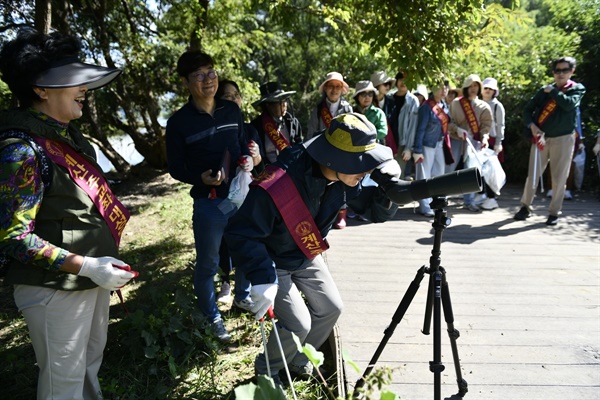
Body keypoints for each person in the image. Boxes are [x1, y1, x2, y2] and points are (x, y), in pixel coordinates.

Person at [0, 29, 137, 399]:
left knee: (88, 369)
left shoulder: (69, 138)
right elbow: (13, 238)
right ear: (41, 89)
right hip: (53, 289)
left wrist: (95, 270)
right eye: (72, 81)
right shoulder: (21, 149)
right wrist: (88, 266)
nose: (84, 89)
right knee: (63, 385)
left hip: (88, 281)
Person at [224, 113, 400, 385]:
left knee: (332, 308)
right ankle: (267, 370)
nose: (365, 172)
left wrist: (390, 191)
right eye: (360, 165)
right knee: (298, 323)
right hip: (273, 262)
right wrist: (261, 276)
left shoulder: (347, 178)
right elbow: (240, 232)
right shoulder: (281, 179)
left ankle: (298, 359)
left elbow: (374, 210)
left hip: (306, 254)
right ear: (337, 159)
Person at [165, 50, 253, 342]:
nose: (208, 80)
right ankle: (212, 316)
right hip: (209, 202)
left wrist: (247, 160)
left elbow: (241, 146)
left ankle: (243, 298)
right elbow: (175, 167)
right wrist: (198, 177)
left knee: (245, 251)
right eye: (199, 75)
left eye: (211, 72)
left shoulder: (231, 111)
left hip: (240, 196)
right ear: (185, 82)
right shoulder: (178, 122)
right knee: (208, 264)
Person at [514, 56, 586, 225]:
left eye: (565, 70)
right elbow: (527, 111)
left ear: (571, 72)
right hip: (541, 138)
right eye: (557, 70)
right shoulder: (544, 91)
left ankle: (554, 212)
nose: (560, 74)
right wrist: (532, 125)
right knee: (533, 175)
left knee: (559, 177)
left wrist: (553, 92)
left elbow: (568, 104)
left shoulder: (576, 89)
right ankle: (525, 206)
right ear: (553, 72)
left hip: (563, 139)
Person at [214, 79, 262, 309]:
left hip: (247, 195)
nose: (233, 99)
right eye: (227, 96)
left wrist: (255, 158)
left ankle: (243, 294)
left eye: (236, 95)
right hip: (221, 194)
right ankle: (225, 282)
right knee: (224, 240)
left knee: (246, 238)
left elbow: (261, 165)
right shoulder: (216, 128)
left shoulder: (251, 129)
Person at [449, 74, 493, 212]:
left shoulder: (483, 106)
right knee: (449, 168)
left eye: (476, 86)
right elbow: (448, 122)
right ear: (466, 87)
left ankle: (469, 201)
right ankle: (440, 197)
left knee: (471, 173)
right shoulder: (456, 103)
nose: (474, 89)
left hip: (473, 142)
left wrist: (485, 138)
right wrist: (457, 129)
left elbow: (486, 127)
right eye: (471, 86)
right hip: (456, 140)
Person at [413, 81, 451, 217]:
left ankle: (435, 203)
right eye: (440, 87)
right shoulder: (426, 107)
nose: (443, 90)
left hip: (439, 144)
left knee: (438, 174)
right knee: (424, 176)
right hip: (426, 145)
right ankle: (424, 206)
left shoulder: (444, 105)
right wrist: (417, 150)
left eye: (445, 87)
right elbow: (420, 129)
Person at [251, 81, 303, 164]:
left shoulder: (293, 123)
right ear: (268, 105)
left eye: (285, 100)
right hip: (268, 172)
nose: (284, 105)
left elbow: (299, 146)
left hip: (292, 170)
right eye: (279, 102)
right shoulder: (256, 126)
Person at [477, 77, 506, 210]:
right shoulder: (478, 103)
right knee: (479, 169)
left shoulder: (497, 106)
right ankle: (481, 194)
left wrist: (499, 143)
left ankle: (491, 198)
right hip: (479, 140)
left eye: (490, 89)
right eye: (485, 88)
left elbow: (501, 125)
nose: (487, 90)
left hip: (493, 140)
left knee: (491, 171)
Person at [390, 71, 420, 179]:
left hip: (402, 144)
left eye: (407, 80)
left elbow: (413, 125)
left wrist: (409, 148)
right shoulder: (389, 97)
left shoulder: (412, 100)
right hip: (388, 142)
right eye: (401, 79)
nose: (403, 83)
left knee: (398, 174)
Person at [306, 72, 353, 140]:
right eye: (331, 86)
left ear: (342, 89)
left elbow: (351, 134)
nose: (334, 90)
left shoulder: (347, 109)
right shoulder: (318, 110)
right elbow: (310, 135)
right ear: (325, 88)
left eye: (338, 86)